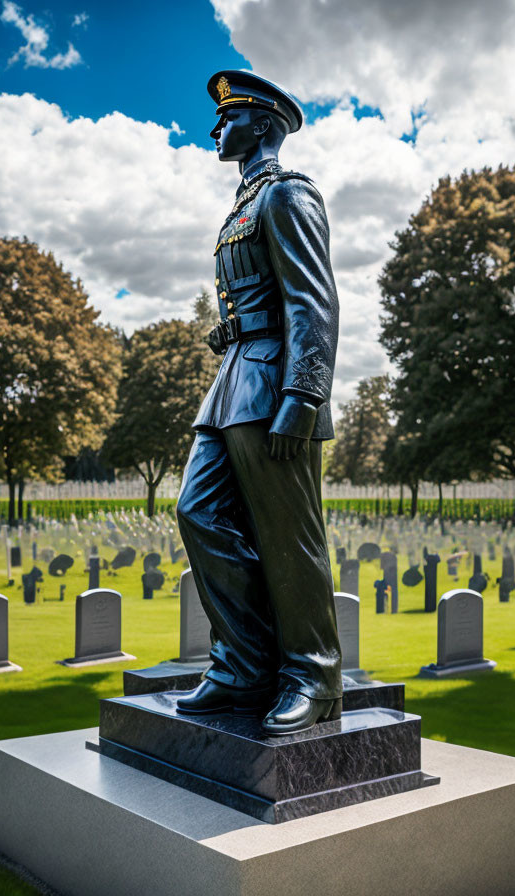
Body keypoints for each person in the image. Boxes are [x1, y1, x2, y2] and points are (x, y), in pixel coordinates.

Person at [175, 70, 342, 734]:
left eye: (229, 119)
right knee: (199, 513)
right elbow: (259, 296)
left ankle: (314, 675)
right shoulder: (241, 206)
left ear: (265, 126)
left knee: (287, 539)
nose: (216, 129)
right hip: (235, 382)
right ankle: (243, 664)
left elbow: (313, 301)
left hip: (276, 386)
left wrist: (304, 394)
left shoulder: (286, 194)